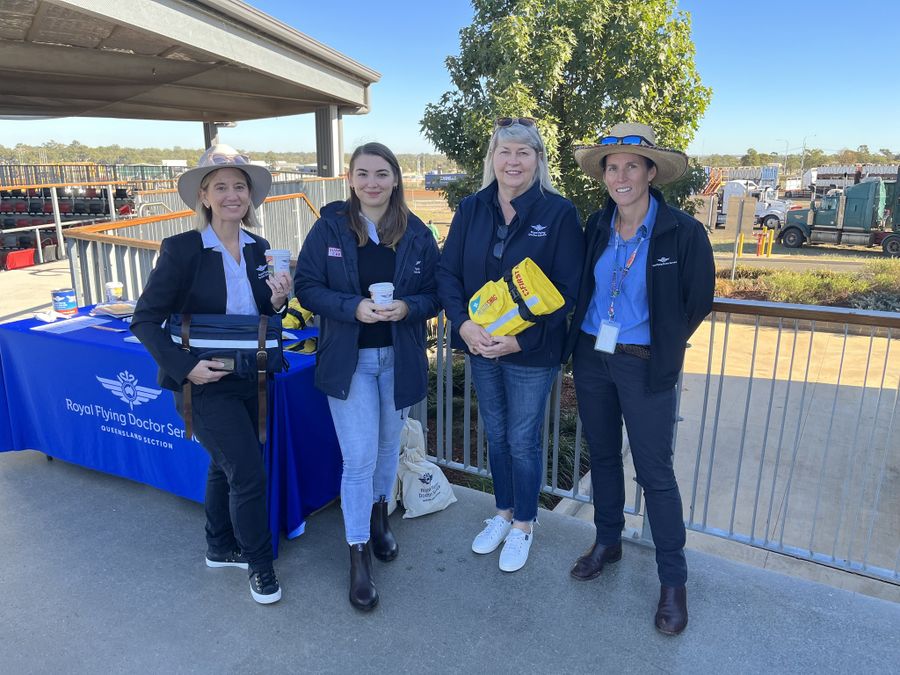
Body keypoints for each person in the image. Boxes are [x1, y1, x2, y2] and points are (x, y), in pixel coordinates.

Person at [564, 122, 715, 635]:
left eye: (632, 165)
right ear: (603, 174)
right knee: (603, 457)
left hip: (646, 364)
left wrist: (663, 339)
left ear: (652, 172)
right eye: (612, 167)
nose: (621, 175)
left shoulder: (682, 232)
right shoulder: (595, 226)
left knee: (655, 472)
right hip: (592, 357)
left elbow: (699, 299)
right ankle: (608, 541)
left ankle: (673, 582)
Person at [131, 145, 291, 605]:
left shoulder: (260, 249)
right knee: (248, 473)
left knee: (226, 466)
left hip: (250, 376)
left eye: (239, 186)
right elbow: (144, 319)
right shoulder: (182, 250)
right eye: (220, 186)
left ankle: (219, 546)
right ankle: (260, 566)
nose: (231, 194)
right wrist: (185, 369)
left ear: (250, 196)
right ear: (204, 196)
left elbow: (260, 316)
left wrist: (277, 302)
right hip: (203, 381)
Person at [293, 142, 440, 611]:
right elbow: (306, 287)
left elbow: (436, 293)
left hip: (399, 361)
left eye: (381, 174)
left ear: (395, 179)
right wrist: (353, 307)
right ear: (350, 179)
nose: (372, 183)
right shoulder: (330, 226)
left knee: (384, 450)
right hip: (349, 364)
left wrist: (407, 307)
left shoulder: (416, 232)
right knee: (357, 459)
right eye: (363, 174)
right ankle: (358, 555)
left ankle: (380, 518)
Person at [436, 117, 584, 572]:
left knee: (522, 439)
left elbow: (568, 292)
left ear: (537, 160)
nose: (513, 161)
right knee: (495, 434)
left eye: (523, 153)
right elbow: (448, 274)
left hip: (530, 354)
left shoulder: (558, 214)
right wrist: (461, 326)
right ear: (492, 159)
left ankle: (524, 524)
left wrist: (520, 341)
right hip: (481, 346)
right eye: (505, 152)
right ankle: (501, 512)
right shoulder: (471, 209)